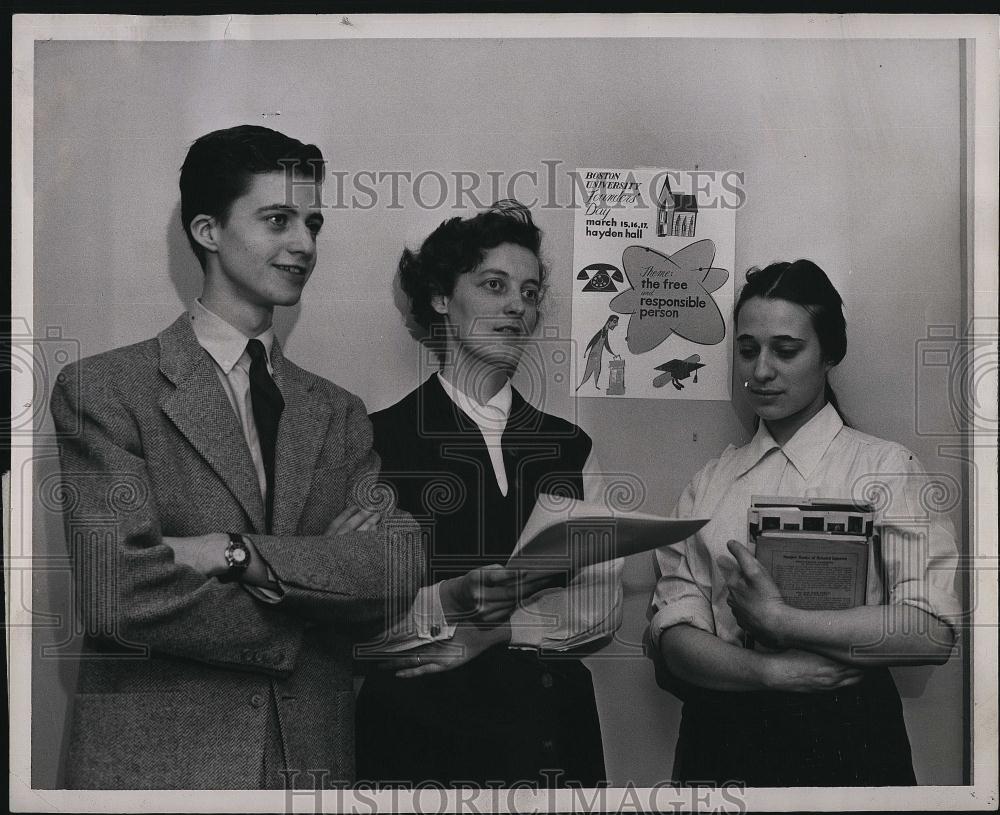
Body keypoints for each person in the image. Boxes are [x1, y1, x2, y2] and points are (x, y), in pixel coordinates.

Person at [49, 125, 424, 790]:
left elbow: (395, 567)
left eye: (312, 221)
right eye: (277, 219)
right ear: (208, 230)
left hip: (312, 772)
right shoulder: (104, 390)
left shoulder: (337, 411)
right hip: (162, 778)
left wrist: (234, 552)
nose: (304, 244)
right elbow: (119, 593)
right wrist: (316, 602)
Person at [651, 259, 960, 786]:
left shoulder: (884, 467)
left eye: (786, 350)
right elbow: (674, 638)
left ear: (829, 354)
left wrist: (781, 622)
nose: (761, 370)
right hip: (722, 738)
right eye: (748, 350)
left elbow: (929, 633)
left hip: (849, 736)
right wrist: (769, 671)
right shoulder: (710, 482)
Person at [353, 200, 623, 788]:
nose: (516, 307)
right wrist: (449, 603)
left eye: (529, 293)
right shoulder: (373, 442)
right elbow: (354, 617)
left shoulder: (571, 446)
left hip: (550, 746)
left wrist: (497, 631)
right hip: (417, 750)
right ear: (441, 297)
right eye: (494, 285)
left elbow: (601, 604)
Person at [576, 315, 621, 391]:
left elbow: (606, 345)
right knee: (589, 371)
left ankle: (595, 385)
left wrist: (613, 354)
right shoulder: (601, 332)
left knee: (597, 369)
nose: (616, 324)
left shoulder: (605, 332)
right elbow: (592, 341)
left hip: (598, 356)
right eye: (614, 322)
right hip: (594, 355)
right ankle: (580, 385)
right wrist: (586, 351)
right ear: (609, 322)